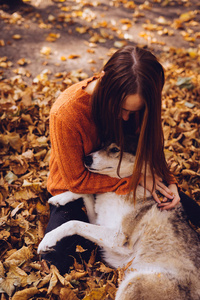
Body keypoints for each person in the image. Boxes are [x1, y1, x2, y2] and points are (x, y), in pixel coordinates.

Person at [42, 45, 200, 274]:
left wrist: (170, 181)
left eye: (133, 111)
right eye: (123, 108)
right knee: (58, 258)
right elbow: (76, 180)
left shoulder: (137, 104)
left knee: (186, 208)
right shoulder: (66, 114)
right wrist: (134, 181)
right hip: (80, 186)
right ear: (106, 85)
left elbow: (150, 146)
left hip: (123, 174)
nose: (125, 117)